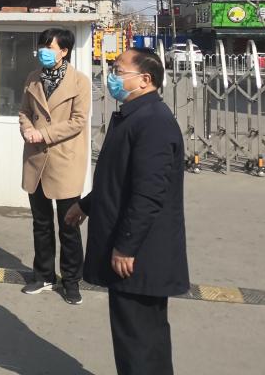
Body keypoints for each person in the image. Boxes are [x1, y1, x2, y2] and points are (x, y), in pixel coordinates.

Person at [65, 48, 189, 375]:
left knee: (139, 344)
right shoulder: (134, 116)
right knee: (139, 338)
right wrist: (85, 205)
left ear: (145, 80)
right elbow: (117, 180)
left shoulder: (153, 123)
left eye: (119, 71)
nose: (112, 77)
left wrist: (126, 246)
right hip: (133, 250)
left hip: (140, 256)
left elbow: (149, 193)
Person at [19, 27, 91, 306]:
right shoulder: (32, 78)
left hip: (64, 160)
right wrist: (27, 129)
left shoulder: (80, 82)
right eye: (42, 46)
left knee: (69, 224)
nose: (43, 52)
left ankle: (71, 281)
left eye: (49, 47)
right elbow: (25, 111)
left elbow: (78, 121)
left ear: (64, 51)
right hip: (36, 159)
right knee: (40, 223)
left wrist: (43, 134)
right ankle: (43, 275)